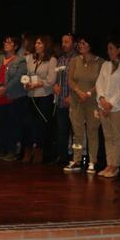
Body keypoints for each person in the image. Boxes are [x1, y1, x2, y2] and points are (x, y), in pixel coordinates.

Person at [65, 36, 103, 173]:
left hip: (92, 102)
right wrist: (77, 91)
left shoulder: (100, 62)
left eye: (83, 43)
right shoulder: (75, 60)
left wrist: (87, 94)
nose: (80, 45)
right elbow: (70, 80)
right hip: (76, 101)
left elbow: (101, 83)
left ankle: (93, 161)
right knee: (77, 132)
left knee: (92, 131)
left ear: (91, 45)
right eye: (79, 43)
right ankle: (76, 159)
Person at [94, 38, 120, 178]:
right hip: (103, 106)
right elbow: (99, 83)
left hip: (118, 106)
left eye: (112, 48)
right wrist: (102, 99)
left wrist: (111, 103)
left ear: (119, 50)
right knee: (107, 136)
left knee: (117, 136)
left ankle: (115, 165)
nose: (109, 52)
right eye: (108, 49)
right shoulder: (105, 65)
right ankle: (109, 164)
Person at [0, 36, 26, 161]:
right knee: (0, 125)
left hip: (12, 97)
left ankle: (12, 151)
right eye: (5, 41)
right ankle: (0, 150)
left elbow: (17, 78)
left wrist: (5, 88)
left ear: (15, 46)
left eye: (9, 42)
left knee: (12, 125)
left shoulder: (20, 61)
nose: (6, 44)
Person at [20, 35, 57, 164]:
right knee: (28, 125)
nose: (36, 45)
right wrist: (26, 83)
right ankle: (28, 150)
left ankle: (39, 151)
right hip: (30, 97)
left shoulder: (52, 60)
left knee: (41, 125)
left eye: (39, 43)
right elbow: (26, 75)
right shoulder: (30, 58)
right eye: (36, 43)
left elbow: (51, 80)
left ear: (46, 45)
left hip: (44, 97)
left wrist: (37, 84)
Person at [53, 34, 76, 165]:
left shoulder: (78, 59)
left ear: (74, 44)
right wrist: (55, 85)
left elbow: (79, 80)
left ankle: (75, 157)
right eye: (62, 42)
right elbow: (57, 77)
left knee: (75, 132)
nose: (64, 44)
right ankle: (62, 157)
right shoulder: (60, 59)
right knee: (62, 131)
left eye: (67, 42)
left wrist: (73, 96)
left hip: (73, 102)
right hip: (61, 102)